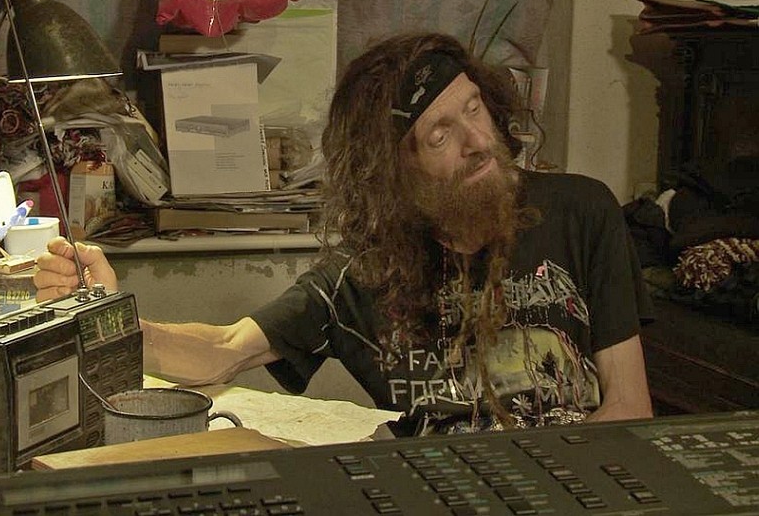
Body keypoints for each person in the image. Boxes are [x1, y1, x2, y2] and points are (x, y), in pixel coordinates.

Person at [34, 32, 653, 436]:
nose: (477, 141)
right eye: (440, 135)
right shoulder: (366, 273)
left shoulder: (581, 211)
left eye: (474, 109)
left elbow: (629, 407)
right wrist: (108, 320)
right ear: (398, 172)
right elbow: (224, 350)